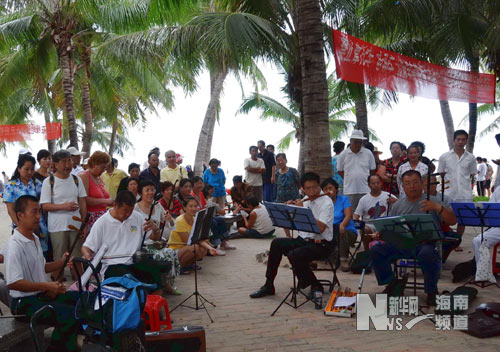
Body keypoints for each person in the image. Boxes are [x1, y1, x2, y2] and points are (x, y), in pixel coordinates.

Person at [369, 170, 457, 305]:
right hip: (401, 243)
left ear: (422, 184)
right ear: (403, 187)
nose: (412, 186)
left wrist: (438, 208)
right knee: (377, 250)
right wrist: (382, 234)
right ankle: (392, 283)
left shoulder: (433, 200)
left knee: (428, 253)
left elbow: (452, 221)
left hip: (425, 244)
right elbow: (392, 229)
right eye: (408, 184)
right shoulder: (398, 205)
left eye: (415, 182)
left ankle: (431, 291)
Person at [6, 195, 80, 351]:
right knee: (67, 315)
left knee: (79, 299)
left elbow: (42, 266)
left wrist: (61, 262)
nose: (39, 216)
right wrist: (47, 285)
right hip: (23, 303)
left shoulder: (34, 237)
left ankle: (65, 345)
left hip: (39, 295)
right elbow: (13, 282)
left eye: (39, 212)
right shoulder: (15, 245)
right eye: (34, 212)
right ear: (20, 215)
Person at [250, 172, 334, 299]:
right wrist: (290, 211)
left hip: (321, 244)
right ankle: (269, 285)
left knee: (294, 255)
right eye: (308, 188)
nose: (311, 191)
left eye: (315, 187)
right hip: (304, 240)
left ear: (319, 186)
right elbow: (297, 224)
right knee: (276, 243)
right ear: (303, 188)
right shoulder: (305, 199)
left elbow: (320, 228)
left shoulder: (326, 202)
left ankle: (315, 285)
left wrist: (304, 211)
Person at [82, 191, 163, 292]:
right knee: (128, 279)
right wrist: (88, 256)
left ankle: (155, 301)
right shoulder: (102, 223)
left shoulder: (137, 217)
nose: (128, 214)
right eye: (125, 210)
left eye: (131, 210)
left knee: (154, 270)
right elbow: (86, 247)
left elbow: (154, 237)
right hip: (112, 265)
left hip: (134, 261)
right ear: (115, 205)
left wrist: (156, 229)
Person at [40, 150, 87, 278]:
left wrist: (84, 223)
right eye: (63, 162)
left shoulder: (77, 180)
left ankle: (80, 286)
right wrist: (65, 206)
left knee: (77, 257)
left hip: (76, 225)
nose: (68, 165)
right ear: (55, 164)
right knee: (59, 258)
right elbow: (45, 206)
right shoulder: (48, 182)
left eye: (69, 161)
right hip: (57, 227)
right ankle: (56, 286)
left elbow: (82, 201)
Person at [437, 130, 477, 251]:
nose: (460, 142)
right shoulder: (444, 157)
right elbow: (441, 174)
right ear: (454, 140)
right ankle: (446, 241)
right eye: (458, 139)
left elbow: (471, 174)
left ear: (466, 141)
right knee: (444, 219)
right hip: (449, 193)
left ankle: (457, 242)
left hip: (464, 193)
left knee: (462, 220)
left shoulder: (471, 157)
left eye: (463, 139)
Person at [3, 154, 49, 257]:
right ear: (19, 169)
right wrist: (21, 228)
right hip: (21, 227)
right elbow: (10, 210)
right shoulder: (11, 186)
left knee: (41, 257)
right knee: (24, 257)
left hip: (39, 226)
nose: (29, 172)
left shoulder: (37, 184)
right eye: (26, 169)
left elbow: (45, 202)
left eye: (32, 169)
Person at [168, 196, 223, 268]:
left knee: (203, 247)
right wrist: (205, 244)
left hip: (187, 246)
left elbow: (198, 238)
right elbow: (188, 241)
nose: (193, 209)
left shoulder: (195, 219)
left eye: (195, 206)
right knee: (195, 247)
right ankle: (180, 267)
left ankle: (188, 264)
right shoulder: (180, 220)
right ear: (184, 208)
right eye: (190, 206)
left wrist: (210, 248)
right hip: (175, 249)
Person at [321, 178, 358, 271]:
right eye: (325, 189)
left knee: (341, 230)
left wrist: (342, 224)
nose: (328, 191)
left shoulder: (343, 199)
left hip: (347, 231)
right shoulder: (322, 202)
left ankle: (344, 259)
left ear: (336, 189)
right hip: (330, 232)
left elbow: (349, 215)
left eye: (330, 188)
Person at [354, 174, 397, 250]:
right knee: (364, 229)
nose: (376, 185)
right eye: (373, 183)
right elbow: (356, 214)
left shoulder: (389, 196)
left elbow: (400, 207)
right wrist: (356, 221)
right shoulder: (364, 199)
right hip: (370, 225)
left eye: (378, 182)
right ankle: (367, 252)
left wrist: (395, 202)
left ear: (381, 183)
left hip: (385, 224)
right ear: (369, 185)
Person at [337, 130, 377, 211]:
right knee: (350, 214)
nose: (358, 144)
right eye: (355, 142)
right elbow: (340, 170)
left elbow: (372, 170)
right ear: (350, 141)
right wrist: (350, 178)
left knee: (367, 213)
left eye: (360, 142)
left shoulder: (368, 153)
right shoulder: (343, 155)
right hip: (349, 191)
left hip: (366, 189)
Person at [78, 151, 113, 233]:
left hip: (102, 217)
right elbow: (84, 199)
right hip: (90, 218)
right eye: (102, 168)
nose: (104, 171)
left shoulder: (98, 178)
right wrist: (106, 201)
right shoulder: (84, 176)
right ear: (94, 164)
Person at [472, 185, 500, 267]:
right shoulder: (499, 189)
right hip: (498, 227)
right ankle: (483, 275)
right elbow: (490, 208)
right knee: (478, 241)